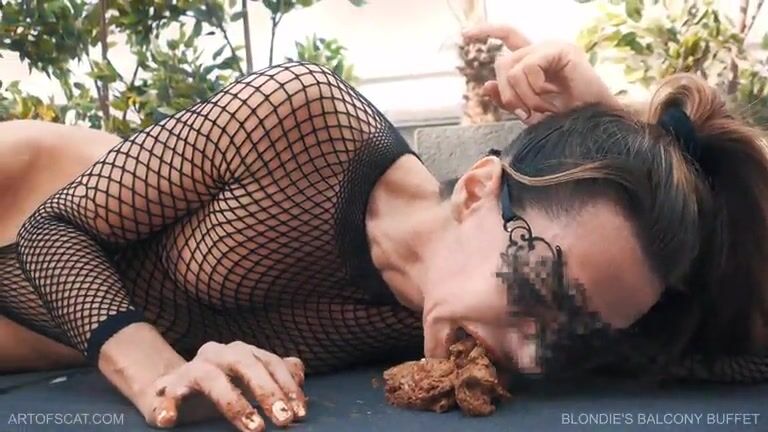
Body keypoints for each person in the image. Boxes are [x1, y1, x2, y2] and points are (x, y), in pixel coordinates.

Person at [1, 24, 767, 432]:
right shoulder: (302, 121)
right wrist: (163, 372)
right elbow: (52, 230)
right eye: (544, 291)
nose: (535, 357)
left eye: (578, 333)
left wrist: (622, 130)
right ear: (478, 189)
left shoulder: (459, 320)